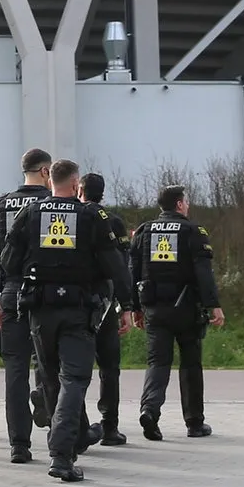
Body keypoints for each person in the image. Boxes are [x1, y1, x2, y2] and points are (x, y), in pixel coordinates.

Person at [0, 159, 134, 483]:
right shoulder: (92, 216)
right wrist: (127, 305)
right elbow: (115, 265)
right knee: (74, 379)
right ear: (76, 185)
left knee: (50, 379)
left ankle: (65, 445)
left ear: (50, 182)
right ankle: (61, 455)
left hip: (39, 311)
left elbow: (8, 260)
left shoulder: (30, 214)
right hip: (78, 310)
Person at [0, 147, 55, 464]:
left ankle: (19, 445)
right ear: (46, 172)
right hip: (47, 295)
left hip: (11, 292)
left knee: (15, 370)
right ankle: (56, 432)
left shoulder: (1, 204)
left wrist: (2, 284)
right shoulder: (54, 206)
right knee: (51, 365)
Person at [129, 183, 224, 441]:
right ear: (180, 204)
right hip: (186, 309)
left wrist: (133, 307)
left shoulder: (144, 231)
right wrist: (213, 305)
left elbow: (133, 271)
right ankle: (194, 423)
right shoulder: (193, 231)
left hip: (154, 309)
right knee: (190, 364)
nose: (188, 205)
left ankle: (149, 410)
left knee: (157, 363)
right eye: (187, 201)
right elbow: (203, 272)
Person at [79, 172, 133, 447]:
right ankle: (110, 425)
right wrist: (127, 305)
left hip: (79, 304)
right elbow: (122, 265)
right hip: (107, 303)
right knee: (109, 367)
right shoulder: (113, 222)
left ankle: (79, 424)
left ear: (80, 190)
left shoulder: (73, 217)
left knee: (76, 368)